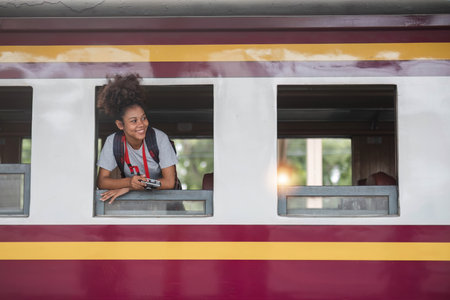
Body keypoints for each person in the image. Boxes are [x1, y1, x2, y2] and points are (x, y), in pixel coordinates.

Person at [96, 74, 178, 203]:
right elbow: (101, 181)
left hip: (164, 201)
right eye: (134, 121)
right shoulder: (113, 142)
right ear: (120, 125)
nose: (141, 124)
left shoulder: (159, 138)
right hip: (135, 203)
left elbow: (169, 183)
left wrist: (131, 187)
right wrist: (130, 182)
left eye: (143, 118)